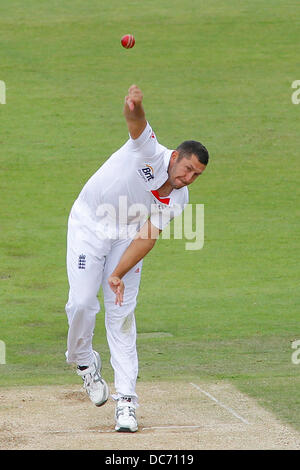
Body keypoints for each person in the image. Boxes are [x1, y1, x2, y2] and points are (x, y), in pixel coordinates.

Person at [65, 84, 209, 432]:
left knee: (122, 316)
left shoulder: (179, 199)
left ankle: (126, 402)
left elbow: (147, 237)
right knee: (82, 304)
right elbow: (137, 123)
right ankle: (84, 361)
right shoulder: (150, 150)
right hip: (89, 224)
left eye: (195, 175)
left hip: (127, 238)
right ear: (175, 156)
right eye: (186, 168)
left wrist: (118, 273)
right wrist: (134, 105)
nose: (187, 178)